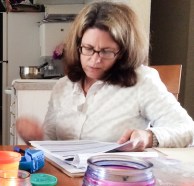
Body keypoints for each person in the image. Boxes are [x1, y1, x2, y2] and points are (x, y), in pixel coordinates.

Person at [16, 1, 194, 151]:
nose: (95, 60)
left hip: (115, 181)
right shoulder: (63, 86)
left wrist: (148, 137)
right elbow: (51, 142)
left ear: (123, 52)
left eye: (106, 51)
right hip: (66, 180)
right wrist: (35, 137)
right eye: (88, 48)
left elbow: (187, 130)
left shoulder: (142, 81)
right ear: (78, 45)